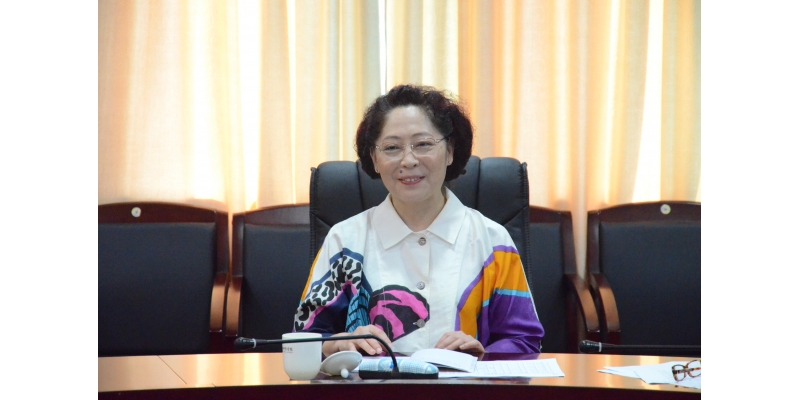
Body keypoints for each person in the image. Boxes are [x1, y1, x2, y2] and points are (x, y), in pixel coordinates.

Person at [293, 84, 544, 357]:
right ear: (374, 159)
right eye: (392, 148)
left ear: (450, 151)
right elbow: (301, 341)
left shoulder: (493, 242)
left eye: (423, 144)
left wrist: (481, 356)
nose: (408, 160)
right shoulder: (344, 241)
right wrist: (336, 344)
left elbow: (525, 342)